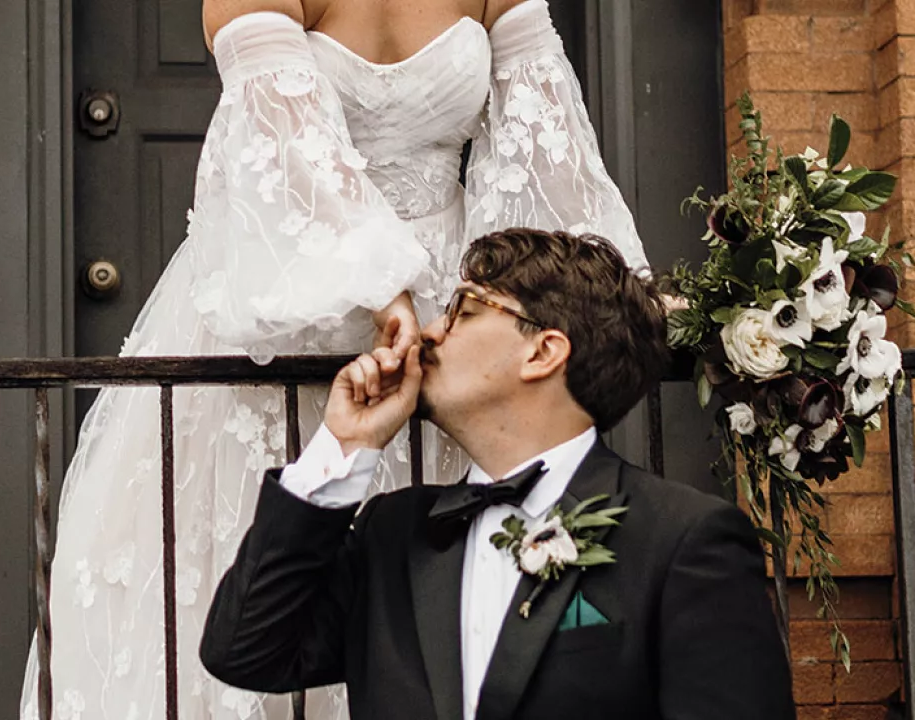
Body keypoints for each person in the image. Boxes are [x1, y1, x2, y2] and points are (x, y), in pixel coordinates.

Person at [23, 0, 647, 717]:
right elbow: (285, 150)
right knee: (261, 586)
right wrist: (381, 289)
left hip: (451, 310)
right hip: (287, 296)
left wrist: (580, 305)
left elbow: (544, 154)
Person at [201, 229, 795, 720]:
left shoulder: (682, 541)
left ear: (543, 352)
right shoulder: (394, 533)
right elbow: (246, 651)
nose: (428, 333)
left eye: (462, 310)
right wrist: (345, 445)